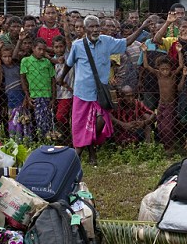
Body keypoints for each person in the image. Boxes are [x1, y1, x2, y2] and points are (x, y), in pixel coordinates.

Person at [62, 14, 147, 165]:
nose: (95, 30)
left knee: (100, 122)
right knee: (81, 126)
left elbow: (127, 41)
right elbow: (69, 63)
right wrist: (61, 78)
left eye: (97, 26)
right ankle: (86, 155)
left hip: (100, 94)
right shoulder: (77, 45)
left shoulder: (107, 41)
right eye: (92, 27)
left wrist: (142, 26)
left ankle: (84, 152)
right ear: (85, 29)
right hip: (82, 93)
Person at [21, 38, 56, 139]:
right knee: (31, 122)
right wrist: (27, 96)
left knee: (45, 122)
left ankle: (45, 141)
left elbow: (53, 80)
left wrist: (53, 98)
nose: (41, 52)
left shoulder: (47, 62)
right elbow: (23, 79)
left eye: (44, 50)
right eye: (39, 49)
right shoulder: (26, 61)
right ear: (33, 48)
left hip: (46, 95)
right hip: (33, 95)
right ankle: (36, 142)